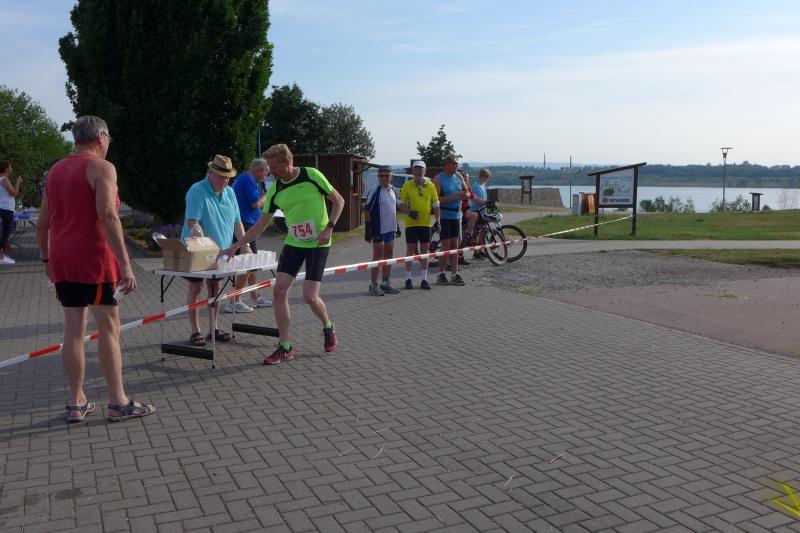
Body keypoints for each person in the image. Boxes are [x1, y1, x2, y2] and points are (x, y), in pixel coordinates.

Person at [35, 115, 155, 423]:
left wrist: (47, 260)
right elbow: (108, 215)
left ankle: (77, 401)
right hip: (95, 260)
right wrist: (126, 264)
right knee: (108, 329)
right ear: (101, 138)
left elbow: (43, 223)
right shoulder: (102, 168)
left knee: (73, 330)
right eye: (109, 140)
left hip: (63, 259)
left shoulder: (55, 171)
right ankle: (118, 401)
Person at [221, 144, 345, 365]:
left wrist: (330, 227)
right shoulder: (275, 189)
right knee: (279, 291)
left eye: (274, 166)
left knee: (309, 296)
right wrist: (237, 245)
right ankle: (285, 346)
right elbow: (260, 226)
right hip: (294, 242)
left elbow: (339, 200)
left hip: (318, 243)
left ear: (287, 163)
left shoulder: (311, 175)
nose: (270, 172)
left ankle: (328, 326)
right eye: (268, 167)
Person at [181, 155, 248, 346]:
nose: (225, 181)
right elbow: (193, 224)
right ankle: (195, 331)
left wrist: (244, 244)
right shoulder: (197, 190)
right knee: (196, 288)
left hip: (221, 252)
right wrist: (205, 247)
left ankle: (213, 328)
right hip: (195, 249)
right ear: (210, 172)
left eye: (227, 177)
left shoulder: (230, 192)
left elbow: (237, 222)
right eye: (221, 177)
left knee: (216, 288)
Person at [226, 158, 272, 313]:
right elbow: (255, 204)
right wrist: (267, 194)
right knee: (247, 263)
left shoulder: (248, 180)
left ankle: (254, 296)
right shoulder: (248, 179)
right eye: (265, 174)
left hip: (248, 225)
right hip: (244, 226)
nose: (264, 178)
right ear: (260, 170)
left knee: (252, 263)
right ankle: (235, 300)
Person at [398, 160, 440, 290]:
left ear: (424, 171)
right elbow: (400, 203)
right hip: (411, 224)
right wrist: (410, 212)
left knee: (424, 251)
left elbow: (436, 204)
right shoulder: (407, 185)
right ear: (413, 171)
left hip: (425, 224)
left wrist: (438, 221)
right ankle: (408, 279)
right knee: (410, 250)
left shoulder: (430, 185)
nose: (418, 171)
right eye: (416, 169)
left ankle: (424, 279)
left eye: (420, 169)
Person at [364, 166, 402, 295]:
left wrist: (397, 225)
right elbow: (367, 209)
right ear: (378, 177)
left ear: (391, 177)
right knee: (378, 257)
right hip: (378, 229)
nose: (384, 178)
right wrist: (368, 228)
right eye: (381, 176)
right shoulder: (375, 190)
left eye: (387, 176)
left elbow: (393, 208)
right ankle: (373, 285)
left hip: (390, 229)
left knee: (389, 257)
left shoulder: (393, 190)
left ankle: (385, 283)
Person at [432, 153, 468, 286]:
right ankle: (441, 274)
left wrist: (466, 195)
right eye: (454, 163)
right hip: (445, 216)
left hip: (456, 216)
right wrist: (454, 197)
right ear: (447, 165)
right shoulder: (438, 178)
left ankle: (454, 273)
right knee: (446, 246)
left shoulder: (458, 176)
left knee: (455, 246)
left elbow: (467, 191)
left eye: (457, 164)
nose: (457, 166)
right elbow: (436, 200)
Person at [0, 160, 23, 265]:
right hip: (6, 208)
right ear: (6, 169)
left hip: (2, 207)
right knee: (6, 232)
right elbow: (13, 193)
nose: (11, 169)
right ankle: (1, 257)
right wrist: (18, 182)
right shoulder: (4, 180)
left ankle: (2, 255)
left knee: (3, 232)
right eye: (10, 167)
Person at [469, 168, 492, 259]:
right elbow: (478, 201)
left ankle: (481, 250)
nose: (488, 179)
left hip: (483, 211)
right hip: (477, 211)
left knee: (483, 231)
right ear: (484, 176)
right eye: (488, 177)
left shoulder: (483, 185)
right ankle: (476, 252)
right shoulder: (476, 186)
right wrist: (487, 203)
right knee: (476, 232)